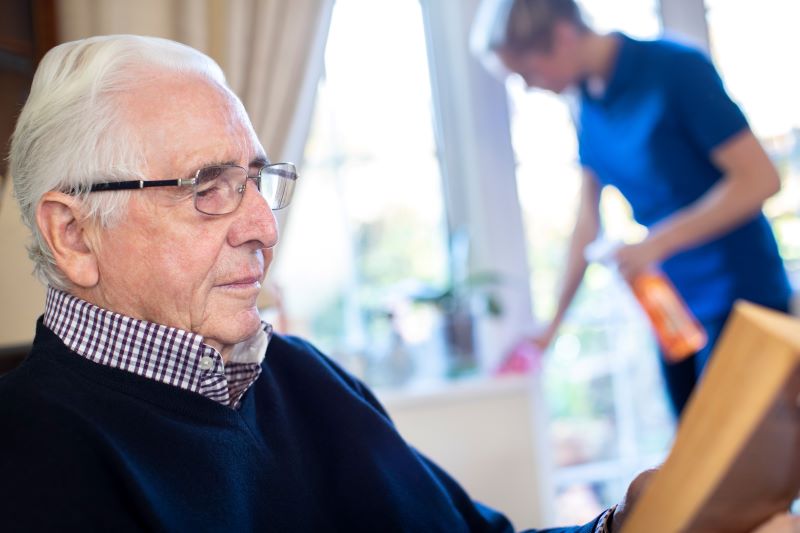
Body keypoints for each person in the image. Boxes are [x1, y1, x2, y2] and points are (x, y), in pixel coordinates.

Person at [1, 33, 632, 532]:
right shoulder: (23, 460)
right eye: (207, 187)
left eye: (256, 180)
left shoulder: (303, 375)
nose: (263, 228)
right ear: (75, 234)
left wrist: (620, 529)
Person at [470, 0, 793, 416]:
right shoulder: (586, 105)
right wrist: (552, 326)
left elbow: (760, 179)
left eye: (528, 72)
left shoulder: (676, 70)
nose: (529, 87)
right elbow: (586, 224)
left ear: (564, 37)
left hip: (741, 297)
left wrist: (656, 243)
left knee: (736, 456)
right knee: (689, 454)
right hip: (674, 307)